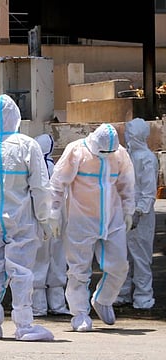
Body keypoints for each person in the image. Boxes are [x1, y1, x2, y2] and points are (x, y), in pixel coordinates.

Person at [0, 94, 54, 341]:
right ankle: (24, 326)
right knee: (22, 271)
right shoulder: (28, 145)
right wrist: (44, 218)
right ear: (16, 118)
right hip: (21, 219)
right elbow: (40, 186)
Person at [49, 123, 135, 332]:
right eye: (103, 152)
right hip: (81, 220)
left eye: (110, 152)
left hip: (112, 219)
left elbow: (127, 183)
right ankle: (79, 314)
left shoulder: (119, 154)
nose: (106, 155)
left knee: (119, 266)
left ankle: (103, 299)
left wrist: (128, 209)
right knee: (78, 269)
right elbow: (58, 183)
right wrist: (52, 212)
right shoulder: (76, 151)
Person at [115, 118, 158, 309]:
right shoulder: (128, 156)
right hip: (126, 212)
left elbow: (149, 191)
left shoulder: (147, 158)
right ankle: (123, 293)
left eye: (130, 133)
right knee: (123, 256)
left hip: (141, 217)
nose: (127, 137)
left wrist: (139, 211)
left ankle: (143, 296)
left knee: (140, 257)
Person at [32, 133, 70, 317]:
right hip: (57, 223)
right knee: (57, 259)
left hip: (39, 221)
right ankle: (57, 304)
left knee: (38, 260)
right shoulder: (56, 169)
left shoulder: (33, 170)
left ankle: (38, 306)